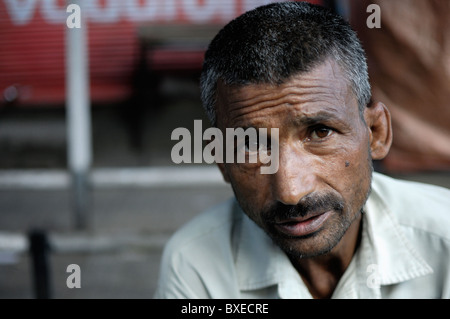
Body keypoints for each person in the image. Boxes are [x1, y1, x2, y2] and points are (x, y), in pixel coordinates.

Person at [154, 1, 450, 299]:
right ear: (222, 162)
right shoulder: (195, 265)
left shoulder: (444, 238)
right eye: (251, 145)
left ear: (376, 133)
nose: (291, 191)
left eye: (320, 132)